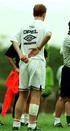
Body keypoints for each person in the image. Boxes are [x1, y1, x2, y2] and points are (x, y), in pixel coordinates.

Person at [11, 3, 52, 131]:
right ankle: (32, 124)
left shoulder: (24, 26)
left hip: (24, 63)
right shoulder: (43, 25)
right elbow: (49, 35)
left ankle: (16, 124)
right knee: (36, 93)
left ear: (33, 13)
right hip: (37, 62)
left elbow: (14, 40)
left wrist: (20, 54)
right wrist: (39, 48)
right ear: (44, 14)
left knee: (22, 94)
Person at [5, 44, 29, 126]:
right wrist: (15, 68)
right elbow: (8, 55)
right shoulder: (17, 42)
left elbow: (45, 55)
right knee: (21, 94)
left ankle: (27, 119)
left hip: (33, 71)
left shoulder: (36, 39)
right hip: (21, 72)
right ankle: (19, 118)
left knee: (32, 95)